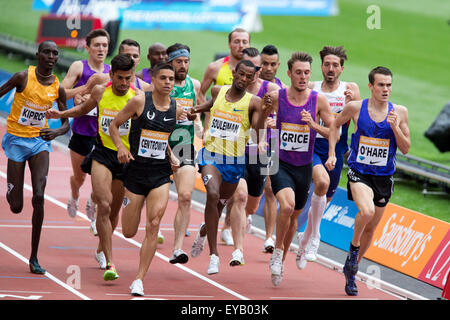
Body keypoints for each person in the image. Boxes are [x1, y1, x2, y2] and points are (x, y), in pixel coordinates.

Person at [46, 54, 137, 280]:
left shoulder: (137, 98)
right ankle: (111, 263)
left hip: (126, 160)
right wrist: (61, 114)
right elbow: (82, 110)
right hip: (103, 153)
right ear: (111, 75)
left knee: (114, 211)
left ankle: (100, 249)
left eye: (128, 78)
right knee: (104, 205)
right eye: (120, 78)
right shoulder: (99, 91)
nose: (124, 83)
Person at [325, 66, 410, 296]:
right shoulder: (355, 108)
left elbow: (405, 148)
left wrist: (394, 126)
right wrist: (332, 153)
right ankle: (353, 250)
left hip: (383, 177)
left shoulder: (399, 112)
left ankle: (352, 268)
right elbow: (334, 125)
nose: (386, 89)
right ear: (371, 86)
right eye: (381, 85)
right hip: (359, 171)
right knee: (367, 210)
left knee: (371, 228)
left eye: (389, 85)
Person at [262, 52, 334, 286]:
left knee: (294, 217)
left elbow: (334, 131)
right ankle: (277, 250)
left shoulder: (318, 100)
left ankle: (281, 258)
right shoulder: (276, 97)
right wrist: (266, 131)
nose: (303, 77)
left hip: (303, 166)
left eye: (306, 73)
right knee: (288, 205)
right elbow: (259, 119)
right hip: (280, 162)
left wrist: (313, 125)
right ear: (289, 74)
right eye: (298, 72)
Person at [108, 63, 179, 296]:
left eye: (171, 78)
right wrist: (120, 147)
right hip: (136, 173)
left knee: (154, 223)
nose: (168, 82)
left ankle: (139, 279)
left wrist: (171, 156)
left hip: (160, 174)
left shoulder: (175, 108)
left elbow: (161, 138)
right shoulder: (140, 101)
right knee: (128, 231)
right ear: (154, 80)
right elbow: (114, 125)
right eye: (163, 78)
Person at [190, 59, 266, 275]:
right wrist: (196, 109)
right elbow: (211, 105)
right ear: (234, 72)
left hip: (234, 162)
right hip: (211, 156)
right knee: (212, 195)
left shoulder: (254, 102)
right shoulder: (218, 90)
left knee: (220, 207)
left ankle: (204, 231)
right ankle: (214, 255)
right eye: (240, 74)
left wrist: (266, 111)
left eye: (248, 76)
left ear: (253, 79)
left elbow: (258, 131)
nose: (243, 79)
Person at [0, 40, 70, 274]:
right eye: (47, 52)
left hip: (40, 142)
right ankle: (12, 191)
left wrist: (56, 132)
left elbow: (65, 124)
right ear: (38, 54)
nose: (52, 56)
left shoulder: (58, 88)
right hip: (17, 141)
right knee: (17, 206)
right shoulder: (22, 77)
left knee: (39, 195)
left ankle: (34, 257)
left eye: (55, 53)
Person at [296, 46, 360, 269]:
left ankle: (304, 240)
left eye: (335, 65)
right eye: (327, 64)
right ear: (321, 67)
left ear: (342, 68)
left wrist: (352, 105)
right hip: (313, 147)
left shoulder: (350, 89)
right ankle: (314, 239)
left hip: (337, 152)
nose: (331, 69)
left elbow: (360, 126)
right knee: (321, 183)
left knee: (323, 200)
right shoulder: (311, 88)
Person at [224, 47, 279, 266]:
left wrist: (275, 124)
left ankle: (244, 218)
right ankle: (236, 246)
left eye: (257, 67)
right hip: (235, 151)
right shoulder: (231, 91)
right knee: (239, 196)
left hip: (261, 152)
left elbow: (287, 113)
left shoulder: (271, 89)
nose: (254, 71)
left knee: (253, 203)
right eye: (246, 68)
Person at [62, 29, 110, 232]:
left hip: (102, 134)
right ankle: (74, 195)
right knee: (80, 177)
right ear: (88, 47)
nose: (101, 49)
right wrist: (83, 93)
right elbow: (62, 92)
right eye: (97, 45)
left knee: (101, 181)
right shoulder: (79, 67)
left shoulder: (111, 71)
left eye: (105, 45)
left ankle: (94, 201)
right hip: (82, 132)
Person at [166, 43, 203, 264]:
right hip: (159, 145)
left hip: (184, 145)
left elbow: (195, 111)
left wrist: (198, 126)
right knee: (153, 204)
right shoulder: (162, 85)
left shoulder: (193, 84)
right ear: (170, 62)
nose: (183, 65)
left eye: (186, 61)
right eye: (179, 61)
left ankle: (177, 248)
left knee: (186, 197)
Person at [259, 44, 286, 253]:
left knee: (269, 189)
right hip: (253, 139)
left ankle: (269, 237)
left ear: (278, 65)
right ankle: (230, 224)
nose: (268, 67)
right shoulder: (254, 86)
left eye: (272, 64)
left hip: (274, 142)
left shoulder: (283, 89)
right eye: (265, 63)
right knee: (244, 191)